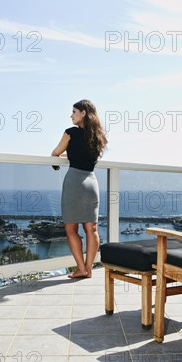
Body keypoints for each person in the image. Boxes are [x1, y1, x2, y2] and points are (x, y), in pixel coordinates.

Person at [51, 99, 108, 278]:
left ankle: (81, 268)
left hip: (75, 181)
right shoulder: (98, 137)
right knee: (92, 229)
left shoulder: (71, 133)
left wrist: (63, 155)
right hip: (91, 182)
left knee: (71, 229)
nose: (71, 115)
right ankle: (89, 269)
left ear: (83, 113)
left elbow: (55, 153)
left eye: (74, 112)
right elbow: (84, 154)